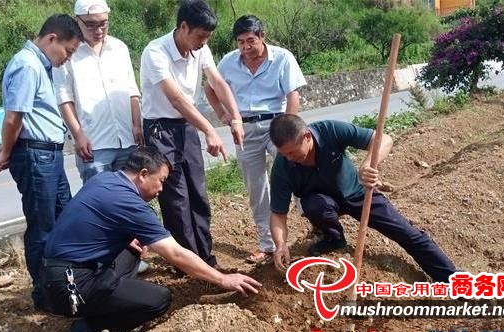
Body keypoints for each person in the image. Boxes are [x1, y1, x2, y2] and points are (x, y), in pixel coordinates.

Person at [40, 146, 261, 332]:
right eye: (161, 180)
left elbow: (91, 223)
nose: (161, 189)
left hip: (54, 276)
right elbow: (174, 253)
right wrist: (223, 279)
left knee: (132, 250)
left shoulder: (106, 181)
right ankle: (88, 327)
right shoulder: (129, 203)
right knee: (159, 299)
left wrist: (124, 239)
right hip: (71, 287)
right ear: (143, 174)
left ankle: (103, 300)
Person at [268, 115, 458, 282]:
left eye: (292, 152)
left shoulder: (330, 130)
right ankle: (334, 238)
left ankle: (452, 279)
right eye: (284, 154)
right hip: (323, 203)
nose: (290, 158)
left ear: (306, 137)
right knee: (314, 205)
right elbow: (278, 214)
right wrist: (281, 244)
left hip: (358, 193)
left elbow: (383, 139)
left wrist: (368, 165)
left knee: (407, 234)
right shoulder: (282, 168)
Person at [139, 0, 244, 267]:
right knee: (176, 200)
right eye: (200, 36)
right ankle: (187, 263)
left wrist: (236, 118)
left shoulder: (201, 49)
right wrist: (209, 129)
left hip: (186, 127)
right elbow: (176, 100)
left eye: (207, 37)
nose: (203, 42)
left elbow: (217, 82)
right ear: (183, 27)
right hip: (161, 129)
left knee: (198, 193)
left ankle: (206, 258)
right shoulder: (156, 52)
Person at [0, 14, 83, 309]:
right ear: (52, 39)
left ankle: (64, 284)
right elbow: (14, 117)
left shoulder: (39, 67)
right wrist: (5, 153)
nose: (66, 59)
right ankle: (45, 295)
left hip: (48, 154)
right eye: (67, 51)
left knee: (63, 220)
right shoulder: (27, 65)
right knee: (43, 227)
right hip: (35, 155)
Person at [204, 15, 306, 264]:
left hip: (276, 124)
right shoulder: (229, 62)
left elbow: (293, 96)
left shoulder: (282, 57)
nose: (246, 48)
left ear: (262, 36)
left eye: (250, 41)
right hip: (245, 129)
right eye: (240, 42)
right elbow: (210, 88)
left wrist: (288, 129)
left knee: (294, 173)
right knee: (256, 187)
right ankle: (267, 244)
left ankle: (314, 226)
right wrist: (223, 115)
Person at [54, 0, 143, 184]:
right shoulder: (68, 53)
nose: (99, 31)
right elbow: (64, 99)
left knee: (130, 199)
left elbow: (132, 90)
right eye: (91, 25)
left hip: (127, 139)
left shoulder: (119, 48)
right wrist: (78, 136)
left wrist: (137, 124)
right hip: (94, 145)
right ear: (76, 20)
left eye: (103, 23)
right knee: (100, 202)